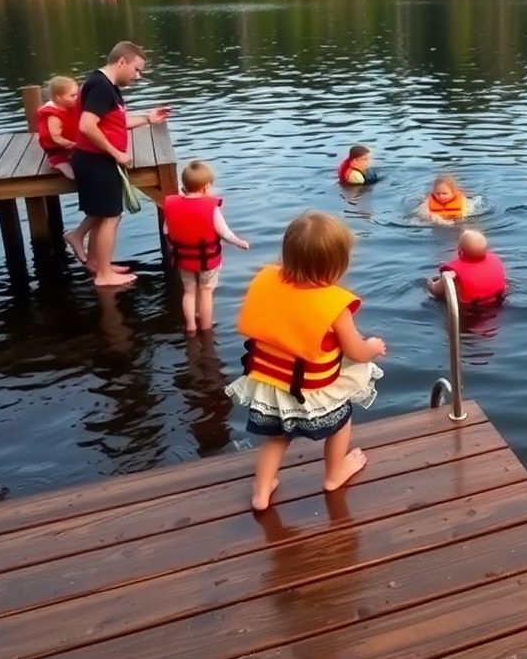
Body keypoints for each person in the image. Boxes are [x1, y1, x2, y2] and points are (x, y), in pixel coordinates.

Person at [226, 212, 386, 510]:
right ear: (337, 266)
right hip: (312, 392)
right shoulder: (336, 307)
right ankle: (334, 475)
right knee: (341, 423)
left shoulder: (269, 282)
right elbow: (355, 352)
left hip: (271, 387)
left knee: (275, 438)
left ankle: (261, 493)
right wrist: (373, 347)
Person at [72, 41, 170, 286]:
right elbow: (86, 125)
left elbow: (114, 123)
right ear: (122, 61)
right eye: (136, 70)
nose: (138, 77)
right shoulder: (101, 88)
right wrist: (116, 153)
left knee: (106, 215)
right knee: (111, 217)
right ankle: (105, 276)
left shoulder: (106, 86)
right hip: (96, 161)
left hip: (96, 160)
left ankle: (98, 264)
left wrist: (148, 118)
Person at [163, 160, 250, 335]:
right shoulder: (212, 208)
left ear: (184, 186)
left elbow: (166, 229)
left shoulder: (171, 205)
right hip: (207, 261)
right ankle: (206, 326)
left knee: (188, 291)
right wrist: (241, 243)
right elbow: (225, 234)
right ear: (206, 187)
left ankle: (190, 326)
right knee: (206, 292)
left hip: (184, 259)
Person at [37, 75, 95, 263]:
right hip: (60, 151)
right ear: (58, 97)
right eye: (72, 95)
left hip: (74, 147)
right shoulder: (53, 114)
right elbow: (55, 138)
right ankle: (58, 164)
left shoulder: (71, 107)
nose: (76, 98)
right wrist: (72, 145)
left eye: (77, 94)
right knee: (73, 175)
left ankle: (90, 223)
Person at [428, 229, 507, 307]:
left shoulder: (452, 274)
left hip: (469, 312)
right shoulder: (495, 260)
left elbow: (435, 290)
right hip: (497, 303)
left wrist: (429, 281)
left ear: (460, 250)